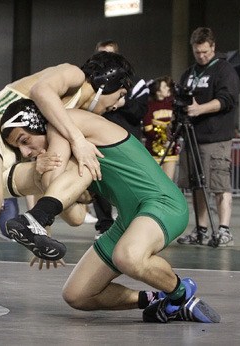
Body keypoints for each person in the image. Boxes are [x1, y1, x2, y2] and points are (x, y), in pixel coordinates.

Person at [0, 51, 134, 330]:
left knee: (74, 211)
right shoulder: (74, 76)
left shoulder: (68, 117)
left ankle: (35, 224)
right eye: (118, 96)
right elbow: (41, 90)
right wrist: (78, 140)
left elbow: (48, 179)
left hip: (14, 155)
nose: (116, 105)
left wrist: (44, 229)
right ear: (109, 83)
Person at [1, 99, 220, 326]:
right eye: (19, 149)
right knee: (77, 294)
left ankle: (181, 293)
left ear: (38, 124)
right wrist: (41, 235)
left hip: (163, 203)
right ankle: (160, 297)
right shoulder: (71, 155)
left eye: (25, 141)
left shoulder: (65, 124)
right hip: (130, 219)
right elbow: (75, 217)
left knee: (128, 257)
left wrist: (39, 179)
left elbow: (51, 180)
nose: (26, 152)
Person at [175, 27, 240, 247]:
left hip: (216, 137)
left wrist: (199, 109)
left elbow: (227, 99)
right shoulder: (189, 73)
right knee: (197, 185)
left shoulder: (224, 70)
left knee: (219, 184)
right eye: (197, 52)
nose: (201, 56)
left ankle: (224, 230)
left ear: (213, 46)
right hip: (192, 137)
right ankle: (201, 229)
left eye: (205, 52)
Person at [92, 39, 149, 239]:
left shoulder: (138, 83)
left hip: (126, 143)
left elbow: (139, 112)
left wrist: (120, 102)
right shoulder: (90, 83)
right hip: (97, 142)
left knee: (129, 186)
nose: (104, 59)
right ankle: (104, 226)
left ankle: (133, 225)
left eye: (109, 54)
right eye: (100, 55)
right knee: (99, 181)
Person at [143, 76, 179, 180]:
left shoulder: (173, 104)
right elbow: (147, 128)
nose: (168, 89)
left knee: (169, 181)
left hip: (171, 149)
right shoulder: (150, 106)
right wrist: (160, 139)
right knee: (155, 181)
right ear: (157, 91)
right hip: (154, 150)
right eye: (164, 87)